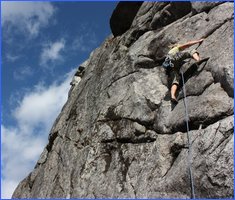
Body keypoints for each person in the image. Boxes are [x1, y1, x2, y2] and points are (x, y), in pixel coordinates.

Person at [162, 38, 204, 104]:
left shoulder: (168, 54)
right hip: (174, 59)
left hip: (172, 66)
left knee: (176, 80)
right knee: (190, 51)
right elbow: (187, 44)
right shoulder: (175, 49)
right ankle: (198, 60)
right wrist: (198, 41)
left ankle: (173, 96)